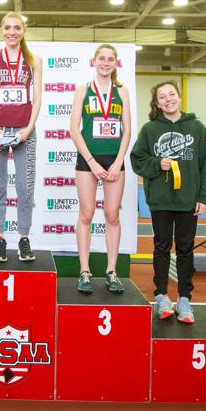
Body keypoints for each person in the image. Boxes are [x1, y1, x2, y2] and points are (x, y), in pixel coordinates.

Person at [130, 81, 206, 323]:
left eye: (171, 94)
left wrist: (204, 197)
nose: (168, 99)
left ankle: (185, 298)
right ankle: (161, 296)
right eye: (162, 97)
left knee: (186, 250)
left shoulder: (197, 127)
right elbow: (138, 160)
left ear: (179, 97)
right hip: (160, 200)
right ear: (157, 103)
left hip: (188, 201)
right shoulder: (149, 129)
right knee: (161, 247)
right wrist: (157, 163)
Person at [69, 44, 132, 294]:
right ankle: (84, 270)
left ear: (115, 63)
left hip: (114, 159)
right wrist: (92, 162)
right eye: (102, 58)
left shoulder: (122, 90)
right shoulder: (83, 89)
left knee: (112, 215)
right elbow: (75, 129)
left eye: (110, 59)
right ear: (94, 61)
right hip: (88, 159)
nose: (106, 63)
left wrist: (118, 162)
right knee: (86, 214)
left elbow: (127, 129)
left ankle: (111, 271)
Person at [0, 12, 43, 262]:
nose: (12, 32)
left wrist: (28, 129)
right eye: (7, 27)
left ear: (24, 30)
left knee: (24, 189)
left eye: (17, 27)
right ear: (1, 30)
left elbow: (37, 97)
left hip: (23, 130)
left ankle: (24, 238)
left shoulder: (34, 59)